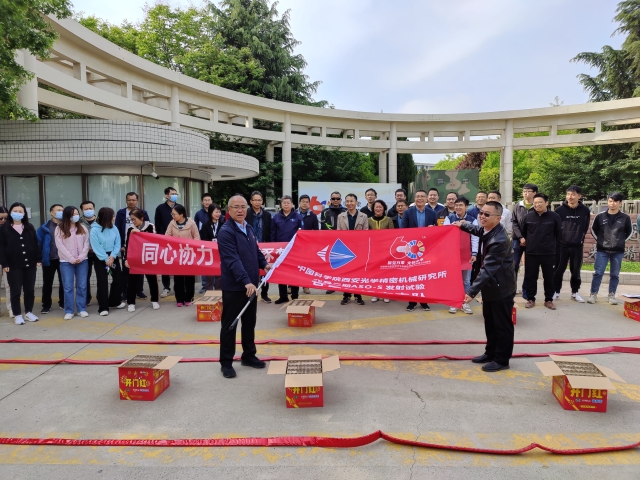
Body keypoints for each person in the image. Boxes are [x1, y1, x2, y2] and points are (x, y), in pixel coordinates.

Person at [454, 201, 516, 372]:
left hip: (501, 288)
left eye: (487, 214)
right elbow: (477, 230)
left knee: (502, 325)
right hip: (490, 286)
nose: (482, 216)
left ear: (498, 218)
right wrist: (462, 225)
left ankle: (502, 360)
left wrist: (471, 291)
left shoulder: (499, 240)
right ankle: (490, 353)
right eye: (481, 212)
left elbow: (488, 269)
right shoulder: (488, 229)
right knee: (490, 322)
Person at [218, 194, 270, 379]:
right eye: (236, 207)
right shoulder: (226, 232)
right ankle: (226, 362)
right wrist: (245, 281)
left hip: (251, 286)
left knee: (249, 323)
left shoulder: (248, 227)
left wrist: (264, 264)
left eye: (243, 207)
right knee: (230, 325)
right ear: (229, 210)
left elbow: (255, 250)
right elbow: (232, 260)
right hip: (235, 286)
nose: (240, 210)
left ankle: (248, 355)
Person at [0, 203, 42, 325]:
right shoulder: (4, 229)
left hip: (30, 263)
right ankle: (17, 314)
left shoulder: (29, 227)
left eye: (20, 211)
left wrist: (38, 258)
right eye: (15, 211)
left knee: (29, 289)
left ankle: (29, 312)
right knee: (15, 290)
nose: (17, 213)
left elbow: (35, 243)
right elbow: (1, 248)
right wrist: (4, 263)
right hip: (13, 265)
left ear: (24, 214)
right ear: (10, 213)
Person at [588, 192, 633, 305]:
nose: (612, 203)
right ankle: (593, 294)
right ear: (607, 202)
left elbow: (629, 232)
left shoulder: (625, 218)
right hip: (602, 250)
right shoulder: (600, 216)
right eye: (610, 201)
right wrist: (601, 241)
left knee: (614, 274)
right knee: (598, 273)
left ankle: (611, 295)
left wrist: (620, 241)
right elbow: (593, 230)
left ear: (620, 203)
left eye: (615, 201)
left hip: (618, 251)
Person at [522, 193, 561, 310]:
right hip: (531, 253)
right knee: (530, 277)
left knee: (549, 277)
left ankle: (548, 300)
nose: (537, 205)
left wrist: (555, 249)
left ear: (546, 203)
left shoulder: (554, 217)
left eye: (540, 202)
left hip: (549, 253)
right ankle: (530, 299)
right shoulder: (528, 217)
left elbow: (559, 234)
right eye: (535, 203)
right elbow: (524, 233)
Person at [552, 186, 591, 303]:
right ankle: (556, 291)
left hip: (577, 246)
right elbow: (555, 228)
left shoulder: (585, 210)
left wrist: (579, 238)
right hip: (561, 245)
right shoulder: (559, 210)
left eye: (573, 194)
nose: (570, 197)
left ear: (579, 196)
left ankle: (575, 292)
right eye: (568, 194)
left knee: (576, 270)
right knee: (558, 270)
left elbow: (585, 226)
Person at [401, 189, 437, 312]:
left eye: (422, 196)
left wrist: (433, 229)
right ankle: (412, 301)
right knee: (412, 276)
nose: (420, 198)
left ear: (426, 199)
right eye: (417, 196)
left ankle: (424, 301)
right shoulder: (408, 212)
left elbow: (437, 231)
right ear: (414, 199)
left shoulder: (432, 213)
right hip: (412, 249)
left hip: (426, 250)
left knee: (424, 276)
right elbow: (403, 230)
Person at [444, 197, 478, 314]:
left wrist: (474, 253)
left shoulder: (472, 220)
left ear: (466, 207)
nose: (458, 207)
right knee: (454, 279)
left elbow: (475, 238)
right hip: (453, 255)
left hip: (467, 255)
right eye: (456, 205)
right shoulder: (449, 218)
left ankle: (465, 303)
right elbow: (445, 236)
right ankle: (454, 302)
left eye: (461, 205)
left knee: (466, 281)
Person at [55, 206, 90, 320]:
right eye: (73, 214)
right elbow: (60, 246)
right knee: (68, 287)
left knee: (82, 286)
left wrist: (81, 257)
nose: (76, 216)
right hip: (66, 262)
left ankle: (81, 309)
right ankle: (69, 310)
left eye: (77, 214)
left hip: (82, 261)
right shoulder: (59, 228)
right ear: (67, 216)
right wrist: (71, 258)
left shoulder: (83, 228)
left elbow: (86, 244)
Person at [90, 207, 126, 316]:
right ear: (106, 217)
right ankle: (103, 307)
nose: (114, 218)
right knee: (102, 282)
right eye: (112, 216)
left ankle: (114, 301)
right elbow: (96, 246)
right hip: (100, 257)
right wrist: (106, 259)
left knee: (118, 278)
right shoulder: (94, 229)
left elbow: (117, 243)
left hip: (112, 256)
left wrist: (113, 256)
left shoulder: (114, 227)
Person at [123, 209, 160, 311]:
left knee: (152, 280)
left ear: (142, 218)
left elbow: (154, 239)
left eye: (134, 219)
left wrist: (139, 233)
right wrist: (126, 259)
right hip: (135, 258)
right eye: (131, 219)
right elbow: (127, 245)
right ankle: (131, 303)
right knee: (132, 281)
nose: (133, 221)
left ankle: (154, 300)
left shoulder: (150, 226)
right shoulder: (130, 229)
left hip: (148, 257)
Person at [116, 192, 149, 302]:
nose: (131, 202)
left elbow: (147, 228)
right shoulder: (121, 213)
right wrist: (121, 245)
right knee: (126, 270)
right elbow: (117, 229)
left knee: (139, 269)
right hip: (126, 246)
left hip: (140, 246)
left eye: (133, 200)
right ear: (126, 201)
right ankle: (125, 292)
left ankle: (139, 290)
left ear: (137, 201)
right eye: (129, 200)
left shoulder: (143, 213)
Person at [271, 195, 304, 304]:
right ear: (281, 204)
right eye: (284, 203)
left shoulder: (298, 217)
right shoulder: (276, 218)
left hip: (294, 250)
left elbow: (302, 233)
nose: (286, 205)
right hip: (280, 250)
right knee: (281, 273)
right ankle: (283, 296)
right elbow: (273, 233)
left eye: (288, 203)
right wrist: (273, 247)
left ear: (292, 204)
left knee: (294, 273)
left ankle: (295, 296)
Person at [165, 204, 200, 306]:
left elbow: (197, 237)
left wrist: (192, 247)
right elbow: (167, 236)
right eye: (172, 214)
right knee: (178, 278)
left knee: (189, 278)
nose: (173, 216)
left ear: (181, 214)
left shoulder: (191, 223)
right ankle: (179, 299)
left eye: (174, 214)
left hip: (189, 254)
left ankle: (189, 297)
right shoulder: (172, 223)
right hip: (176, 254)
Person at [337, 193, 368, 306]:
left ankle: (358, 295)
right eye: (347, 201)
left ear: (356, 202)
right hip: (345, 249)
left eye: (351, 201)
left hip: (358, 249)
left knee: (358, 273)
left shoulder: (363, 216)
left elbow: (366, 233)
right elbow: (338, 233)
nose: (349, 203)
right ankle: (346, 295)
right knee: (346, 273)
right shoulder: (341, 216)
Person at [36, 204, 64, 314]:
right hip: (49, 259)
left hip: (63, 259)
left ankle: (63, 303)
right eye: (58, 210)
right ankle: (46, 305)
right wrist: (39, 258)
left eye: (62, 210)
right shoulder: (44, 228)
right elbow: (38, 243)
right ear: (52, 213)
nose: (61, 212)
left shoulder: (66, 226)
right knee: (47, 283)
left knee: (64, 282)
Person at [246, 191, 273, 303]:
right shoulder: (246, 213)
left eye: (259, 200)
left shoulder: (267, 215)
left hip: (264, 246)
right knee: (251, 270)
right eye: (255, 200)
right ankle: (251, 293)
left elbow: (270, 231)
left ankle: (264, 294)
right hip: (249, 245)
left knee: (265, 269)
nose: (257, 202)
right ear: (251, 201)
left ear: (262, 201)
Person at [511, 183, 538, 298]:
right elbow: (514, 223)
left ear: (534, 193)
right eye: (524, 191)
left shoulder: (537, 206)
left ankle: (526, 290)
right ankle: (512, 289)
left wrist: (529, 238)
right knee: (514, 265)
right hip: (517, 240)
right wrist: (521, 237)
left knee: (530, 267)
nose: (525, 194)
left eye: (528, 191)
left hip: (532, 241)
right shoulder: (518, 206)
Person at [154, 187, 181, 298]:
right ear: (166, 195)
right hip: (164, 240)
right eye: (172, 193)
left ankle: (178, 286)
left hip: (178, 239)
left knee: (177, 263)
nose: (174, 195)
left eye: (175, 193)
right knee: (165, 263)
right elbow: (158, 224)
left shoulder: (180, 207)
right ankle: (166, 287)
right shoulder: (160, 208)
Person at [368, 199, 394, 304]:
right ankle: (375, 292)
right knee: (375, 272)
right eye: (376, 207)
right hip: (373, 250)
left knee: (386, 272)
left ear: (384, 208)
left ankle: (385, 293)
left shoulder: (388, 220)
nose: (378, 209)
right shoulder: (368, 220)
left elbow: (392, 235)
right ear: (373, 209)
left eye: (380, 207)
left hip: (386, 250)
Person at [200, 203, 225, 291]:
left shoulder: (223, 224)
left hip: (220, 252)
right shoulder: (205, 225)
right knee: (209, 276)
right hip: (209, 253)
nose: (218, 214)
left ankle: (219, 293)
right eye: (216, 212)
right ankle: (209, 293)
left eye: (219, 212)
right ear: (211, 212)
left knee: (219, 275)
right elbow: (203, 239)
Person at [297, 194, 318, 294]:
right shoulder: (294, 214)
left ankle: (306, 285)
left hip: (307, 245)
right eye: (303, 202)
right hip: (296, 244)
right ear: (299, 203)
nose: (304, 204)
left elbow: (316, 231)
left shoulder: (313, 215)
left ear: (309, 204)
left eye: (306, 202)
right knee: (294, 265)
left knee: (306, 266)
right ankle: (292, 285)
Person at [79, 201, 98, 307]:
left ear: (94, 209)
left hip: (98, 253)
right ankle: (86, 299)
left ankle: (101, 297)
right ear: (82, 210)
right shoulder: (78, 222)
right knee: (84, 277)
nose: (88, 211)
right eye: (86, 209)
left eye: (90, 208)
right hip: (84, 254)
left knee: (101, 277)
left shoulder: (100, 221)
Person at [194, 193, 213, 294]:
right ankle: (204, 284)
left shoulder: (215, 212)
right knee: (204, 263)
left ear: (212, 201)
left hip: (214, 242)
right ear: (202, 202)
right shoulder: (198, 214)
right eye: (205, 200)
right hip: (203, 242)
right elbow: (196, 228)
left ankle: (215, 284)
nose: (207, 202)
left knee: (215, 262)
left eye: (209, 200)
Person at [0, 207, 12, 318]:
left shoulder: (10, 229)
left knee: (9, 286)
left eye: (6, 218)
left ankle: (11, 309)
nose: (3, 220)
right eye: (0, 218)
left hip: (8, 261)